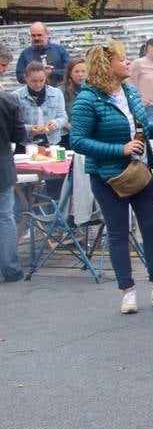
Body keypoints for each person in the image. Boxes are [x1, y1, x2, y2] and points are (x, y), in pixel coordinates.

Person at [69, 42, 153, 313]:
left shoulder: (130, 91)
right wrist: (118, 149)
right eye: (122, 59)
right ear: (105, 65)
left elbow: (141, 129)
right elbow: (78, 141)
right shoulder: (88, 99)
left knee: (151, 228)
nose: (128, 62)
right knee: (119, 233)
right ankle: (128, 292)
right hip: (108, 177)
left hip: (140, 171)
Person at [13, 61, 67, 204]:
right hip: (27, 145)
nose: (38, 84)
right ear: (26, 78)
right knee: (27, 185)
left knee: (55, 184)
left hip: (52, 142)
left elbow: (63, 117)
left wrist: (55, 123)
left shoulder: (56, 93)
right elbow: (14, 124)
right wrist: (30, 128)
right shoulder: (16, 96)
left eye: (41, 81)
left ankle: (55, 215)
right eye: (34, 81)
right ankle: (28, 215)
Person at [0, 87, 23, 282]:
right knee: (5, 217)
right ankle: (11, 268)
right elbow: (19, 136)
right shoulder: (8, 99)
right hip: (2, 165)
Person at [59, 58, 87, 146]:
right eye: (76, 71)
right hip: (67, 136)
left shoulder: (92, 89)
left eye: (83, 71)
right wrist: (73, 128)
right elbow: (58, 115)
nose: (80, 75)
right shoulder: (60, 91)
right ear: (70, 74)